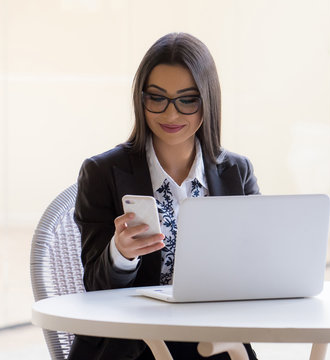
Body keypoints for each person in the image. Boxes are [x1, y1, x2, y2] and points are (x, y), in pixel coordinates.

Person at [69, 32, 260, 360]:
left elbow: (259, 265)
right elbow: (95, 286)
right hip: (132, 346)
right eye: (156, 98)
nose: (171, 115)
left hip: (214, 342)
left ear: (208, 101)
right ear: (140, 99)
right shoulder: (102, 173)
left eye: (187, 99)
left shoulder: (236, 172)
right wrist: (121, 254)